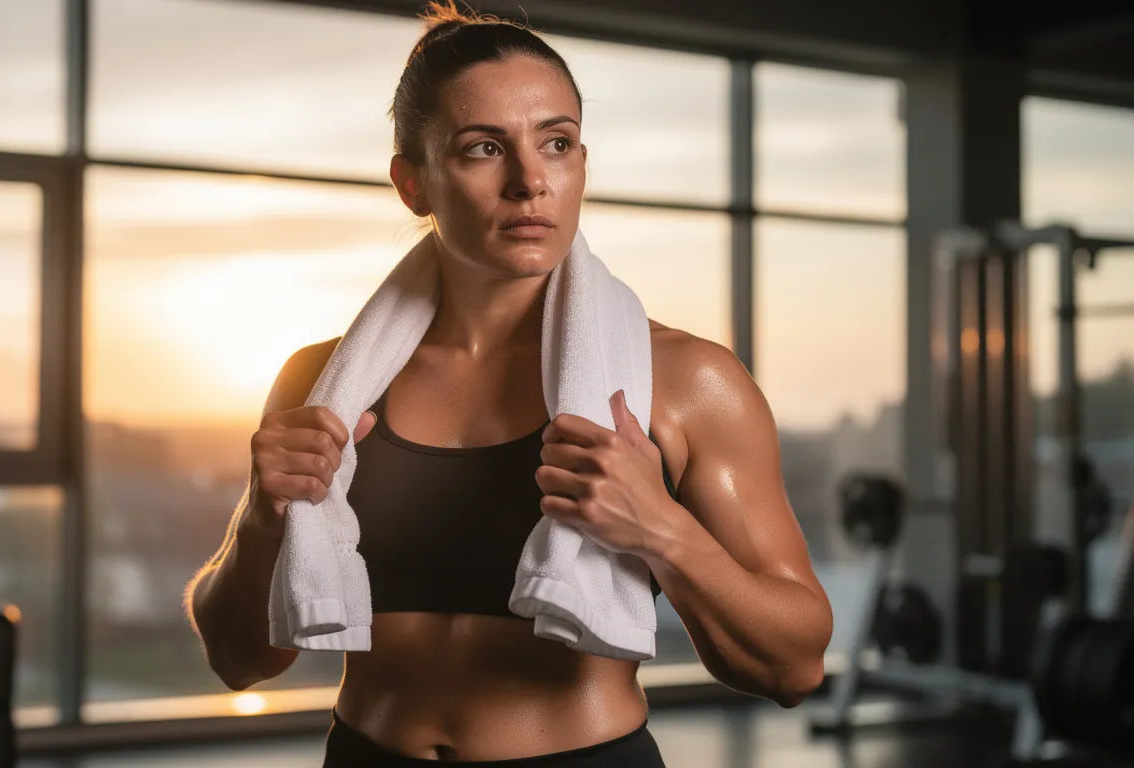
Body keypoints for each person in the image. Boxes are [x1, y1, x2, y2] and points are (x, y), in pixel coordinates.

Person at [186, 3, 833, 764]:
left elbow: (793, 665)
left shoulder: (687, 382)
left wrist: (660, 528)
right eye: (483, 148)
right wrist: (263, 518)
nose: (531, 181)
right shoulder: (323, 383)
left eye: (555, 143)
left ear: (581, 162)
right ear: (412, 183)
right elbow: (240, 660)